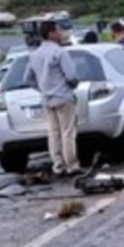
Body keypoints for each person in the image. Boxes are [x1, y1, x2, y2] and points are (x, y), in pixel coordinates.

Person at [23, 21, 81, 175]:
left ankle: (58, 165)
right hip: (63, 96)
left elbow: (27, 79)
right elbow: (72, 76)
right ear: (50, 33)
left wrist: (41, 88)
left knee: (53, 132)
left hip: (47, 99)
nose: (60, 33)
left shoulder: (34, 54)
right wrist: (71, 86)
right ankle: (72, 165)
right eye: (58, 31)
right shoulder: (60, 52)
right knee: (68, 131)